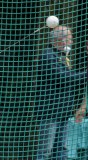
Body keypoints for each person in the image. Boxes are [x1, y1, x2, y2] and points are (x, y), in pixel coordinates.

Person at [35, 26, 87, 160]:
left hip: (63, 111)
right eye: (69, 39)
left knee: (62, 150)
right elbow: (63, 77)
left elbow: (70, 78)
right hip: (50, 112)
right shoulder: (48, 55)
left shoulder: (61, 56)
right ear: (61, 40)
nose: (71, 42)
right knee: (46, 151)